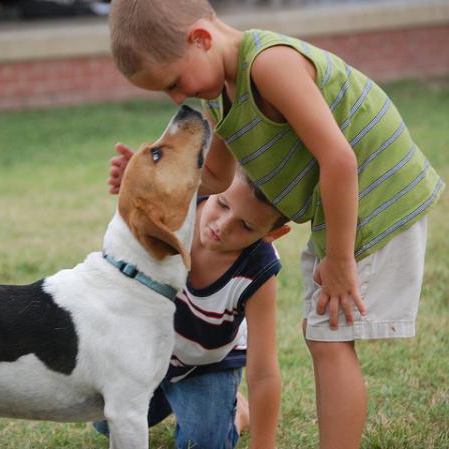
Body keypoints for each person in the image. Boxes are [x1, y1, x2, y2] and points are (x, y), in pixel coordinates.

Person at [107, 1, 444, 448]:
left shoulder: (269, 63)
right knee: (323, 335)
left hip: (377, 193)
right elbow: (216, 177)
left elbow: (340, 158)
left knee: (330, 338)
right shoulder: (220, 93)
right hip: (342, 202)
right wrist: (148, 178)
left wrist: (341, 259)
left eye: (173, 82)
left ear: (201, 40)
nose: (175, 98)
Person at [97, 163, 290, 449]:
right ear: (213, 187)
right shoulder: (176, 214)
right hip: (147, 349)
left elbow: (263, 371)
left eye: (246, 226)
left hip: (205, 364)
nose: (221, 226)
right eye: (222, 204)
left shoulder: (258, 272)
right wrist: (134, 179)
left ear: (272, 234)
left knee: (202, 443)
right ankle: (179, 399)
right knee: (105, 422)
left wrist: (264, 444)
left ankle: (235, 412)